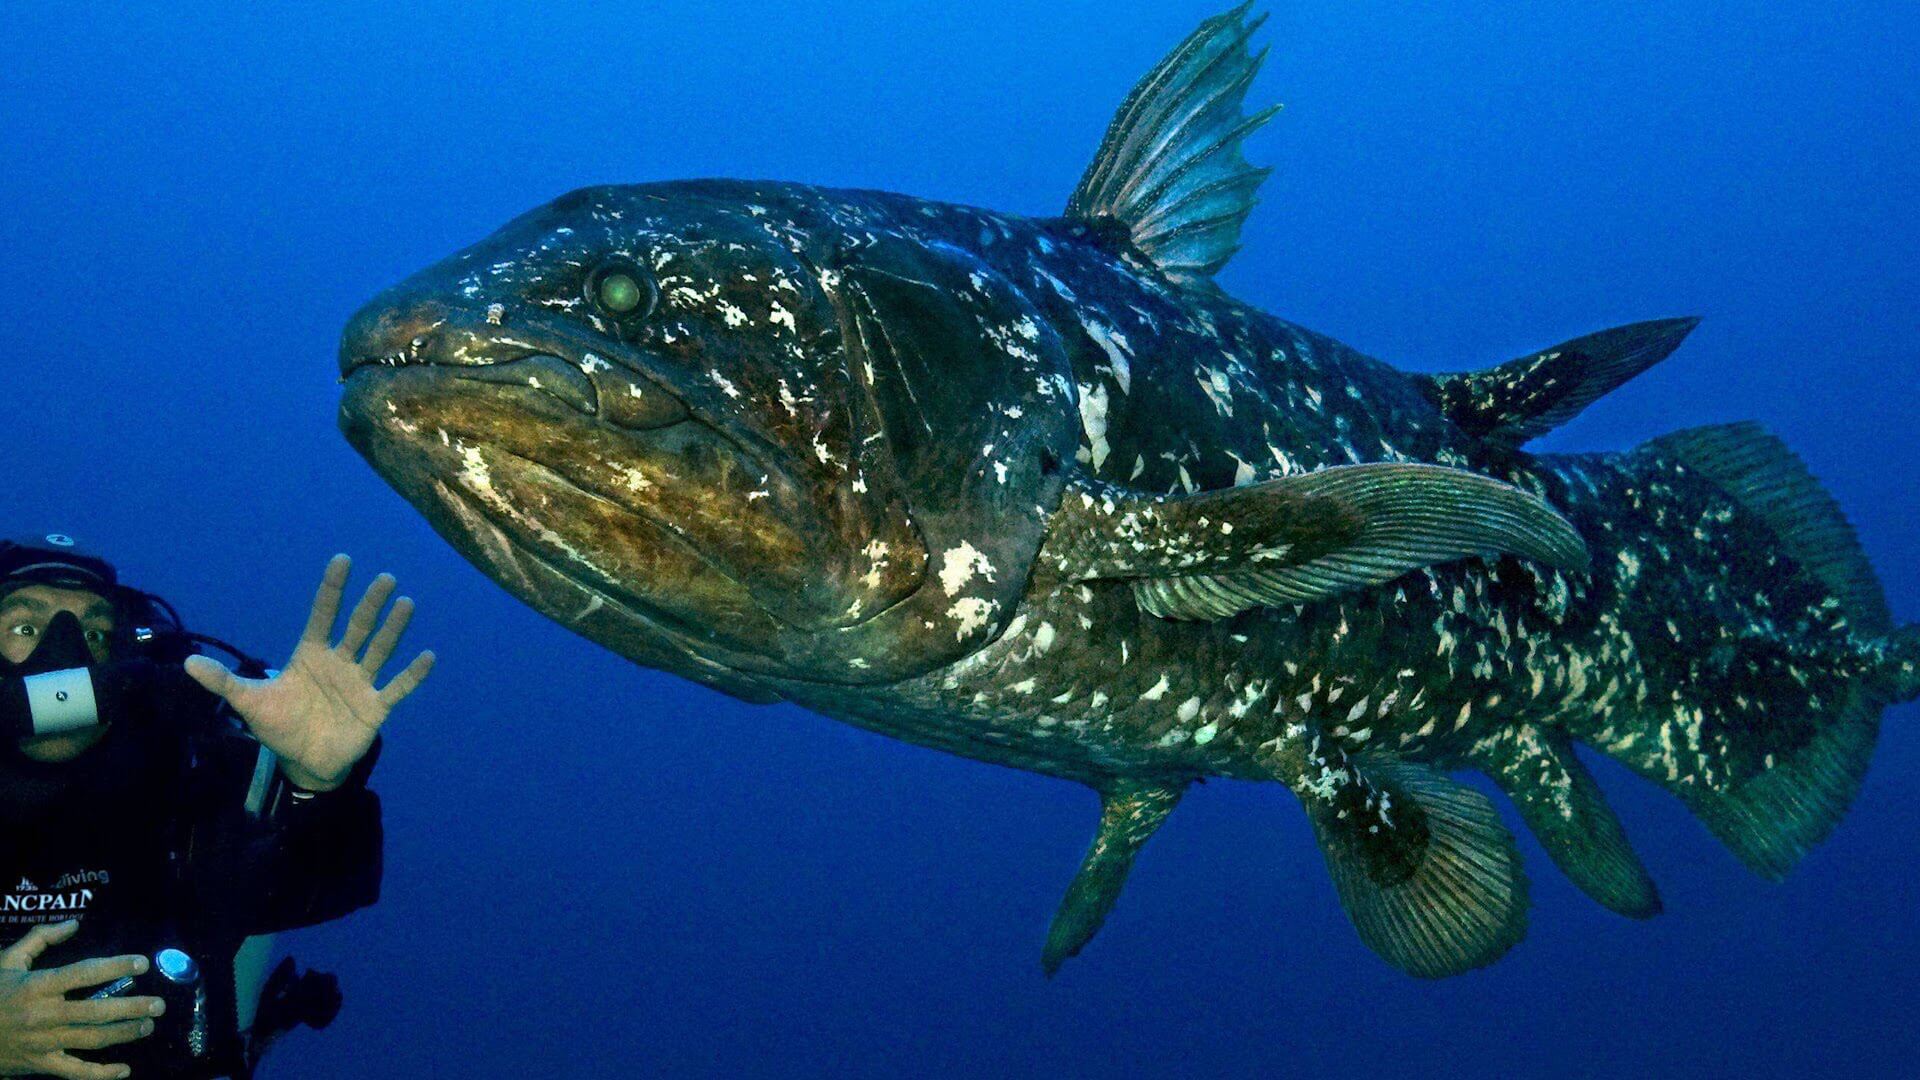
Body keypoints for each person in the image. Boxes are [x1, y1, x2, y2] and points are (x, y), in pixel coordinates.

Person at [0, 535, 434, 1080]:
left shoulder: (178, 771)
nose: (67, 654)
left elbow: (310, 889)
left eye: (95, 633)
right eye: (25, 627)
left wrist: (320, 787)